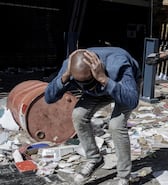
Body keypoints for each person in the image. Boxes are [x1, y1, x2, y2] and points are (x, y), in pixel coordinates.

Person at [44, 47, 142, 185]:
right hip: (99, 89)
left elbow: (132, 101)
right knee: (78, 115)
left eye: (89, 83)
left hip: (119, 87)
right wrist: (65, 76)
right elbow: (48, 98)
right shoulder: (70, 65)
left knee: (116, 125)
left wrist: (103, 79)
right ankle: (94, 158)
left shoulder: (119, 63)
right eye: (81, 84)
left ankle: (124, 176)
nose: (88, 87)